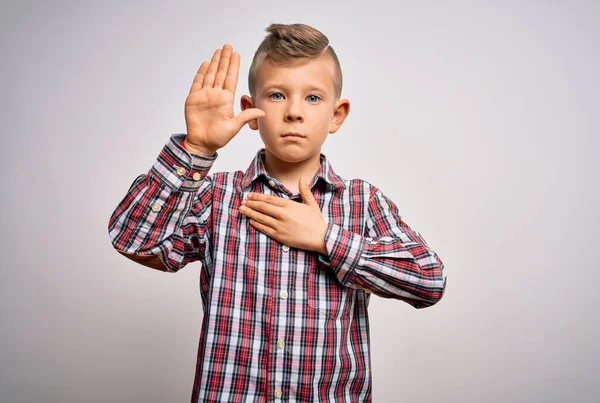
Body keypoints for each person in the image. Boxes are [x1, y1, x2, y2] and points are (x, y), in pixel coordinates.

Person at [108, 23, 446, 403]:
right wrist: (196, 149)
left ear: (338, 114)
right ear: (250, 111)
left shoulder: (362, 202)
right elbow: (131, 240)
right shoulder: (218, 198)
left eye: (313, 98)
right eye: (277, 95)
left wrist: (326, 239)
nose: (294, 112)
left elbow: (429, 281)